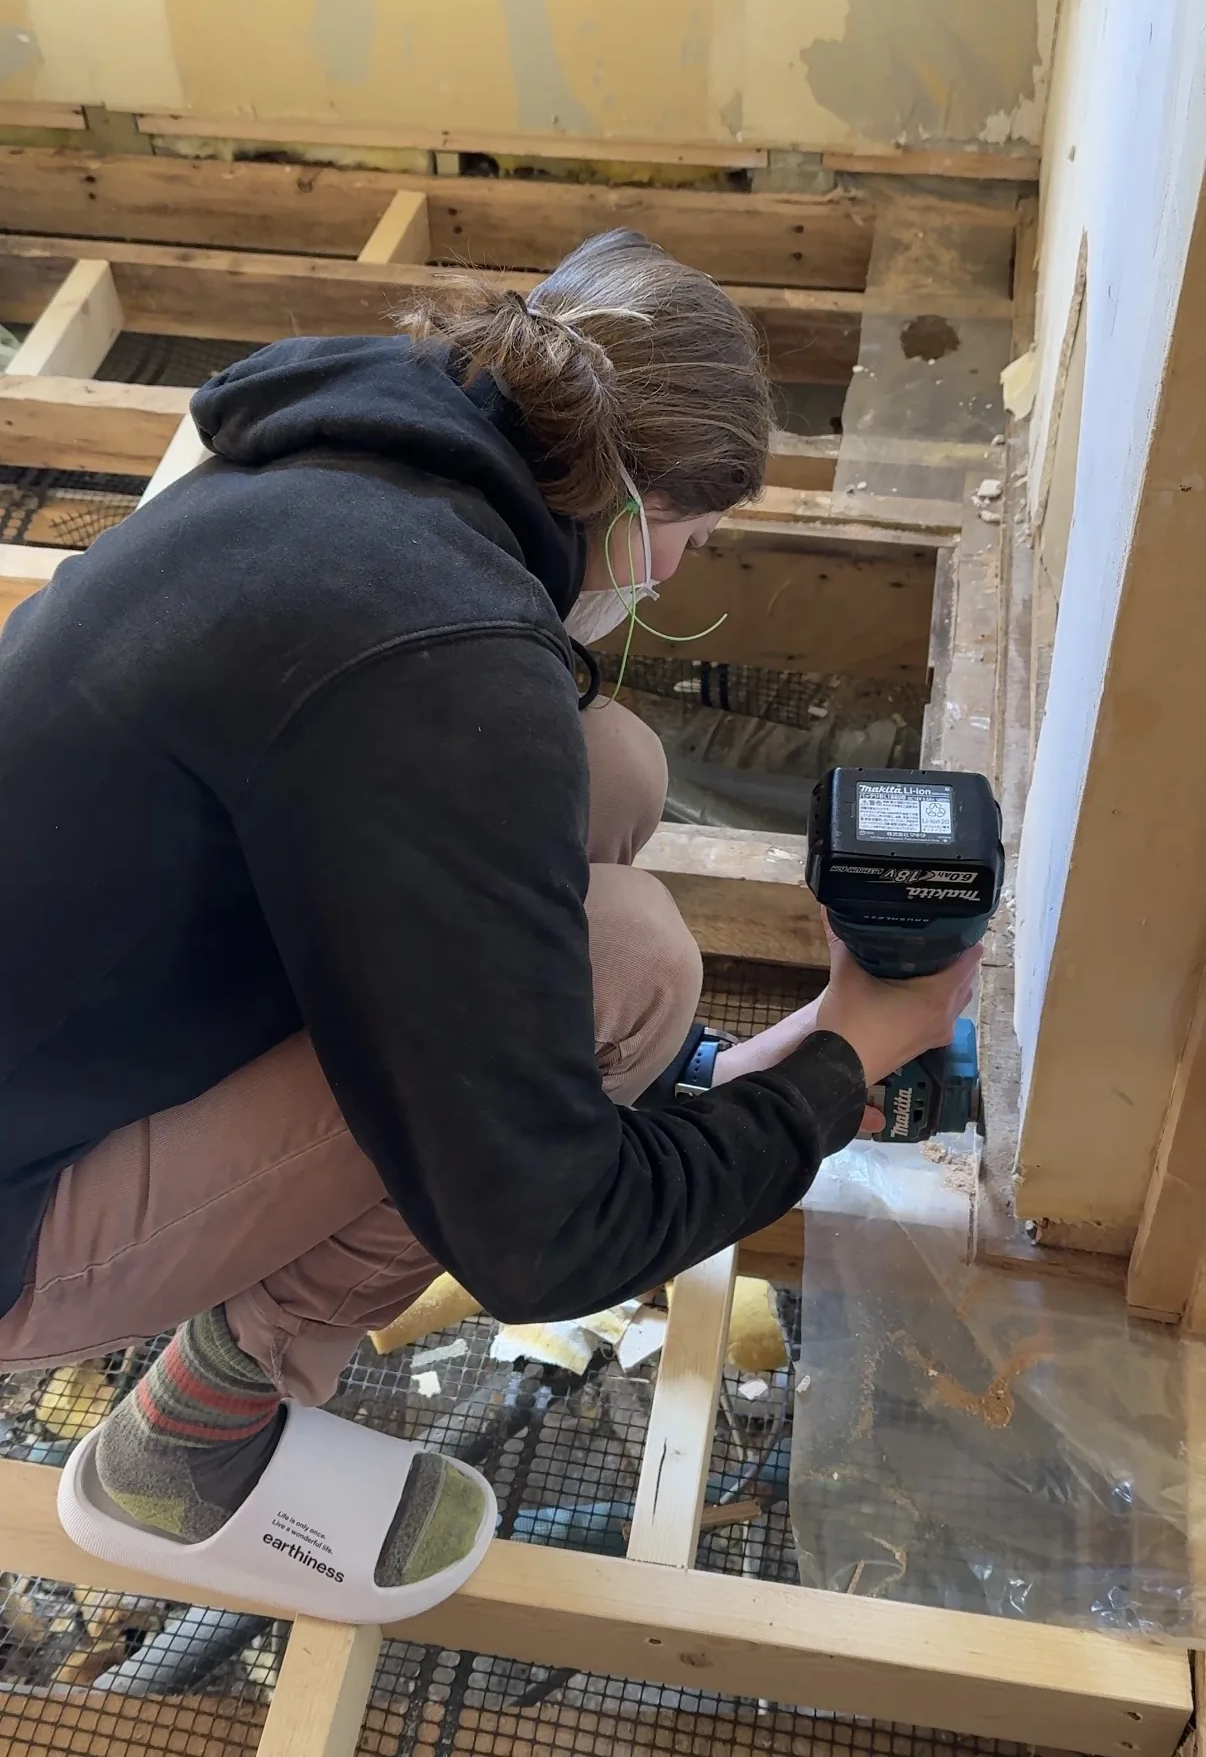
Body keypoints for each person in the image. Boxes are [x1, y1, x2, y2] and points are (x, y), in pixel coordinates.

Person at [0, 228, 977, 1616]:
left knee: (616, 768)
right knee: (625, 972)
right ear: (636, 497)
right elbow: (546, 1241)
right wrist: (838, 1066)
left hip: (63, 1019)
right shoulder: (437, 663)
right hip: (20, 1220)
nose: (683, 574)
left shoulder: (329, 469)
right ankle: (190, 1444)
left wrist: (705, 1084)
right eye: (697, 535)